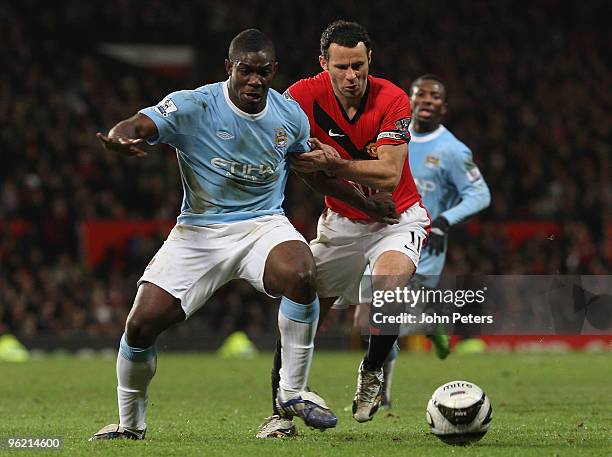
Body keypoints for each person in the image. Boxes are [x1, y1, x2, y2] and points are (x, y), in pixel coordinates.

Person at [89, 29, 340, 441]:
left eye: (263, 72)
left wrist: (361, 198)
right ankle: (130, 426)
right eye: (246, 71)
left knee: (301, 272)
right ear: (229, 68)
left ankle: (293, 391)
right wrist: (120, 135)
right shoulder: (194, 104)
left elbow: (309, 169)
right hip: (199, 231)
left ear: (273, 71)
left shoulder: (290, 116)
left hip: (262, 225)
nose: (255, 81)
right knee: (140, 326)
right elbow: (140, 122)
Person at [257, 20, 429, 438]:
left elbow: (389, 174)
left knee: (390, 287)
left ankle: (372, 372)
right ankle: (280, 411)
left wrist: (335, 163)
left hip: (396, 217)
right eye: (341, 67)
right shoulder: (298, 98)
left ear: (371, 60)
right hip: (341, 223)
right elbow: (296, 162)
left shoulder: (392, 99)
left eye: (359, 66)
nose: (351, 76)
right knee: (301, 302)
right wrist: (334, 177)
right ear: (324, 63)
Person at [378, 74, 491, 409]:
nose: (426, 100)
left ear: (444, 107)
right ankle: (428, 324)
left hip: (425, 245)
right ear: (409, 100)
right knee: (383, 317)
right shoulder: (390, 137)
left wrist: (444, 221)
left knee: (388, 317)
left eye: (435, 96)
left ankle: (382, 390)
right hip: (382, 237)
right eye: (420, 94)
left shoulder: (453, 151)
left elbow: (480, 193)